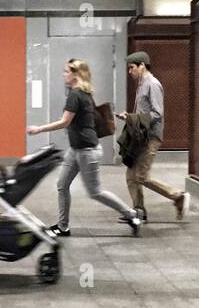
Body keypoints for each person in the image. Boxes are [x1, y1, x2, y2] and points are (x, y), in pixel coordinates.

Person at [28, 58, 140, 238]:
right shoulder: (84, 93)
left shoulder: (76, 94)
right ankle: (63, 227)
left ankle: (131, 215)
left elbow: (65, 122)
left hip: (87, 150)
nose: (64, 74)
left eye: (66, 71)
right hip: (77, 149)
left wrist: (38, 129)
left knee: (95, 192)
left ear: (75, 74)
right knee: (62, 185)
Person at [118, 50, 187, 222]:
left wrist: (133, 118)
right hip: (140, 136)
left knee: (141, 176)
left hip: (150, 138)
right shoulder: (142, 84)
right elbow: (144, 112)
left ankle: (177, 196)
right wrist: (130, 116)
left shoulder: (153, 84)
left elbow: (157, 114)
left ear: (142, 66)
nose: (130, 71)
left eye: (132, 67)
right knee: (130, 175)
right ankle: (138, 212)